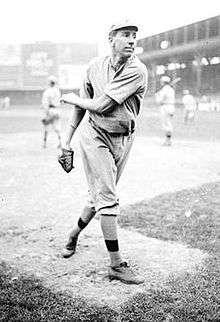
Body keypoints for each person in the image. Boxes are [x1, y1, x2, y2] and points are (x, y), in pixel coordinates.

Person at [59, 19, 148, 284]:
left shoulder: (137, 70)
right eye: (125, 35)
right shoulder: (94, 67)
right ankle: (116, 264)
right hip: (94, 134)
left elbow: (101, 104)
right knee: (108, 196)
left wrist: (73, 97)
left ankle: (73, 234)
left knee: (97, 196)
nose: (132, 40)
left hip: (124, 138)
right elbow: (83, 110)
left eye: (134, 35)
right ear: (111, 38)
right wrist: (66, 141)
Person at [41, 76, 62, 149]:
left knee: (46, 127)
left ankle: (44, 143)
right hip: (57, 110)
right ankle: (60, 142)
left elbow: (45, 104)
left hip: (50, 110)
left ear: (49, 83)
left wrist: (46, 113)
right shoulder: (57, 91)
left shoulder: (47, 91)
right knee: (57, 127)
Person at [155, 76, 175, 146]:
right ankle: (168, 140)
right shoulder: (171, 89)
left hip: (165, 107)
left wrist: (157, 95)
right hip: (171, 107)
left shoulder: (164, 90)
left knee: (166, 124)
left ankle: (168, 140)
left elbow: (159, 101)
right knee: (168, 123)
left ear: (163, 82)